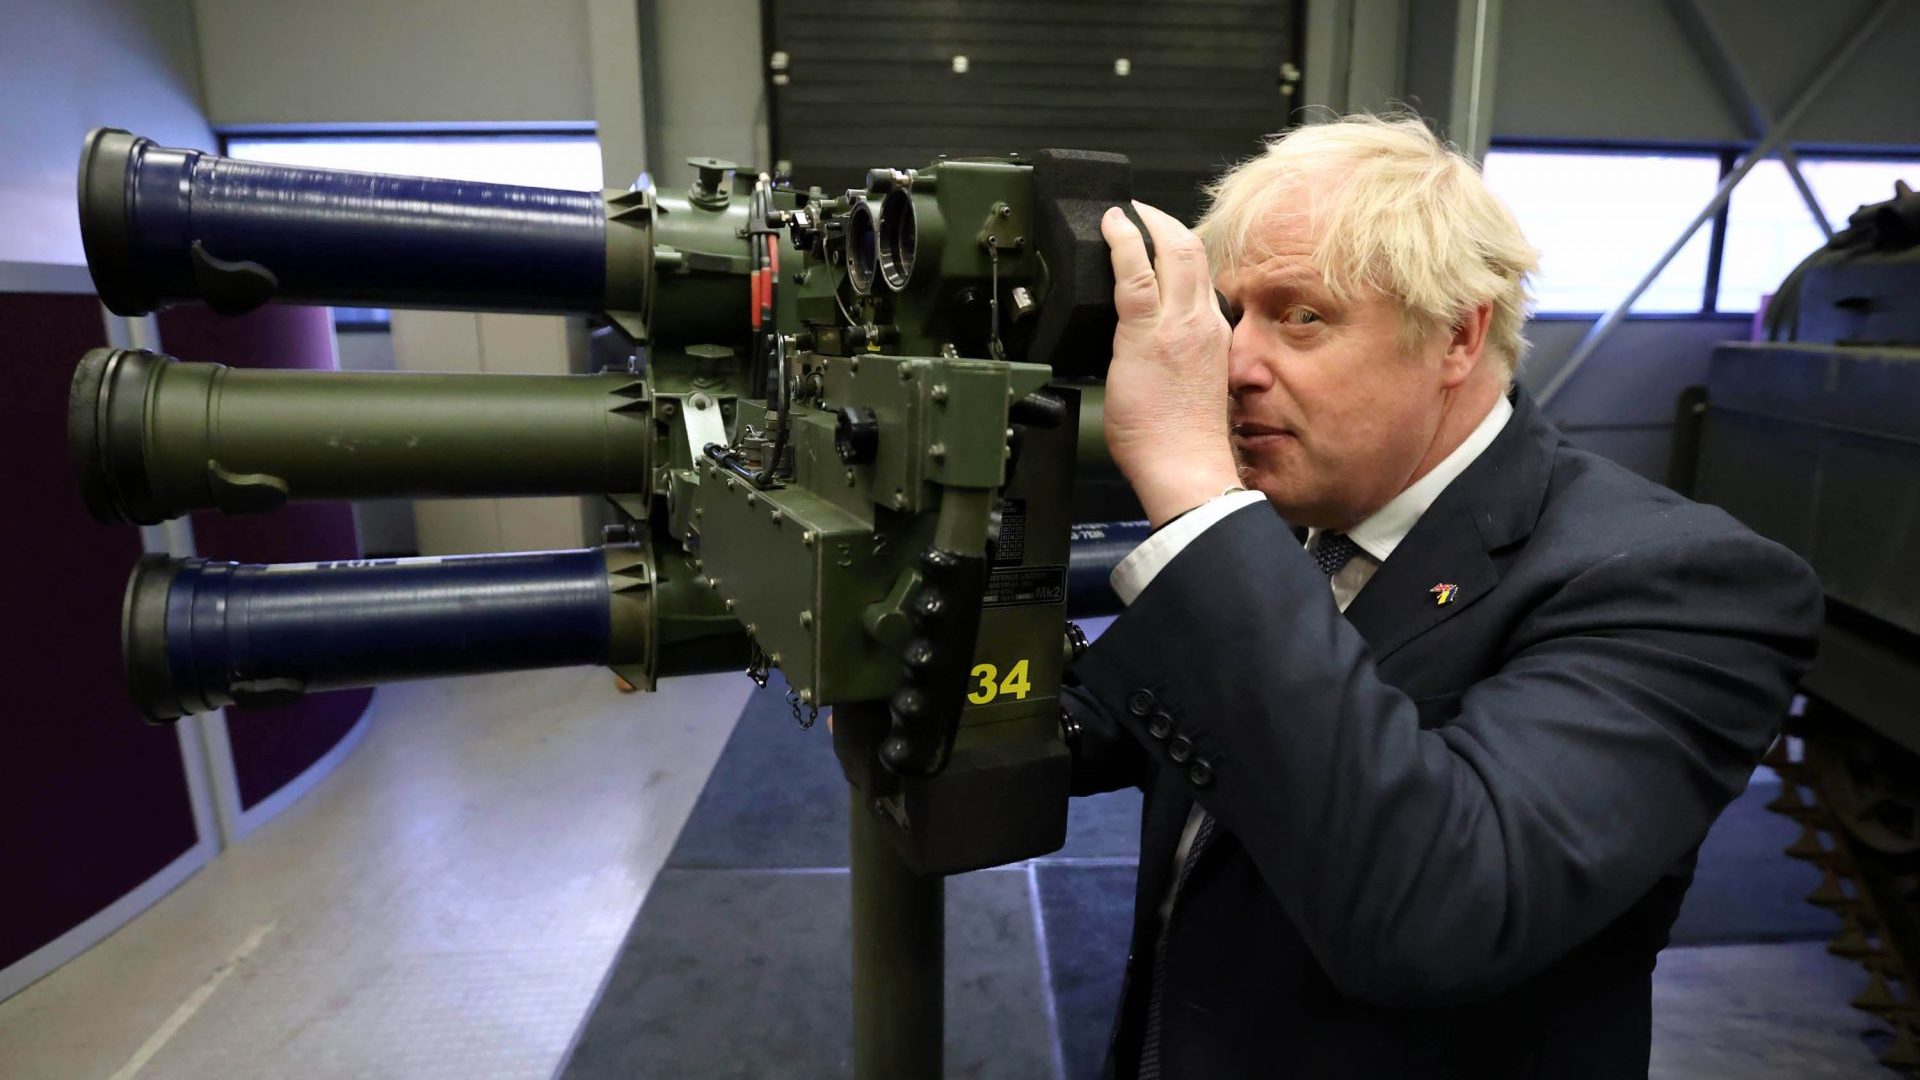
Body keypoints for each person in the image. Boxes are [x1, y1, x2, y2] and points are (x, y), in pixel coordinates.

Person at [1064, 113, 1824, 1078]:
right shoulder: (1303, 522)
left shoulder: (1688, 583)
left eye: (1302, 316)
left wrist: (1188, 482)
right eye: (1230, 316)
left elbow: (1440, 910)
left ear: (1458, 335)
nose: (1236, 367)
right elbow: (1105, 724)